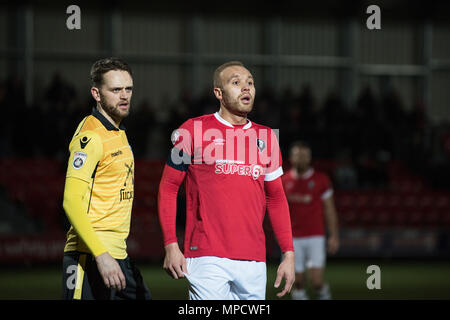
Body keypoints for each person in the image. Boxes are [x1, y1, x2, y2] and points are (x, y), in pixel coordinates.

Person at [158, 61, 295, 300]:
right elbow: (168, 188)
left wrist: (288, 254)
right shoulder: (191, 130)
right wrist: (171, 244)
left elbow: (276, 198)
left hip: (254, 259)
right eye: (236, 82)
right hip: (206, 256)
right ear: (218, 93)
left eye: (250, 82)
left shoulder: (267, 138)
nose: (246, 88)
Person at [61, 57, 151, 300]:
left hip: (117, 254)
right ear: (96, 94)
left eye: (128, 89)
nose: (124, 96)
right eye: (115, 90)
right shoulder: (90, 137)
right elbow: (70, 201)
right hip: (89, 256)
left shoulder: (117, 130)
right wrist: (101, 255)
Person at [282, 141, 339, 300]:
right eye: (297, 155)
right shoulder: (283, 180)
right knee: (298, 282)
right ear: (291, 158)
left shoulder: (321, 180)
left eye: (304, 156)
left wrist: (333, 236)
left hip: (315, 236)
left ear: (309, 158)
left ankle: (324, 294)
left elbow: (329, 210)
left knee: (316, 282)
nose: (301, 159)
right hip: (292, 239)